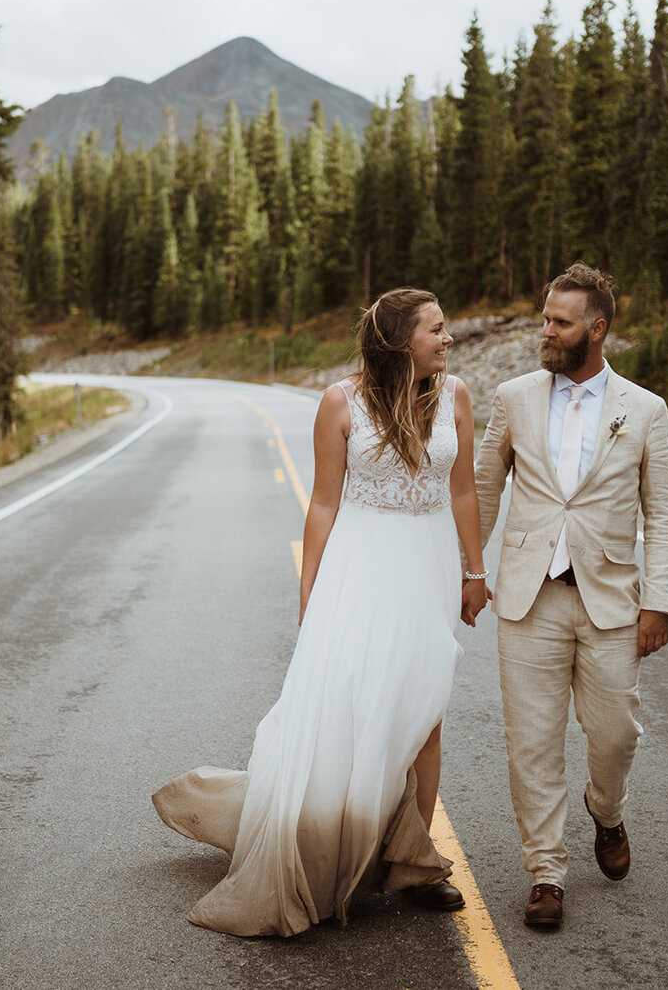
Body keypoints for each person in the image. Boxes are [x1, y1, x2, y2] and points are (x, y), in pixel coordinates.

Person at [152, 288, 491, 937]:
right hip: (359, 567)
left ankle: (418, 865)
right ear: (400, 341)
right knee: (351, 704)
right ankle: (338, 841)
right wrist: (310, 587)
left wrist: (475, 570)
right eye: (437, 330)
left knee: (424, 713)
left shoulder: (458, 396)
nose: (449, 340)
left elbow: (464, 488)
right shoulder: (342, 402)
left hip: (428, 566)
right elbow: (324, 504)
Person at [475, 262, 668, 931]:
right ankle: (546, 872)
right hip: (528, 597)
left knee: (615, 732)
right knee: (531, 741)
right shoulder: (513, 396)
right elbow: (480, 489)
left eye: (559, 321)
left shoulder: (645, 410)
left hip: (611, 599)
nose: (546, 330)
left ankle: (607, 809)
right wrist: (467, 569)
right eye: (545, 317)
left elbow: (665, 513)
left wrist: (661, 600)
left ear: (596, 329)